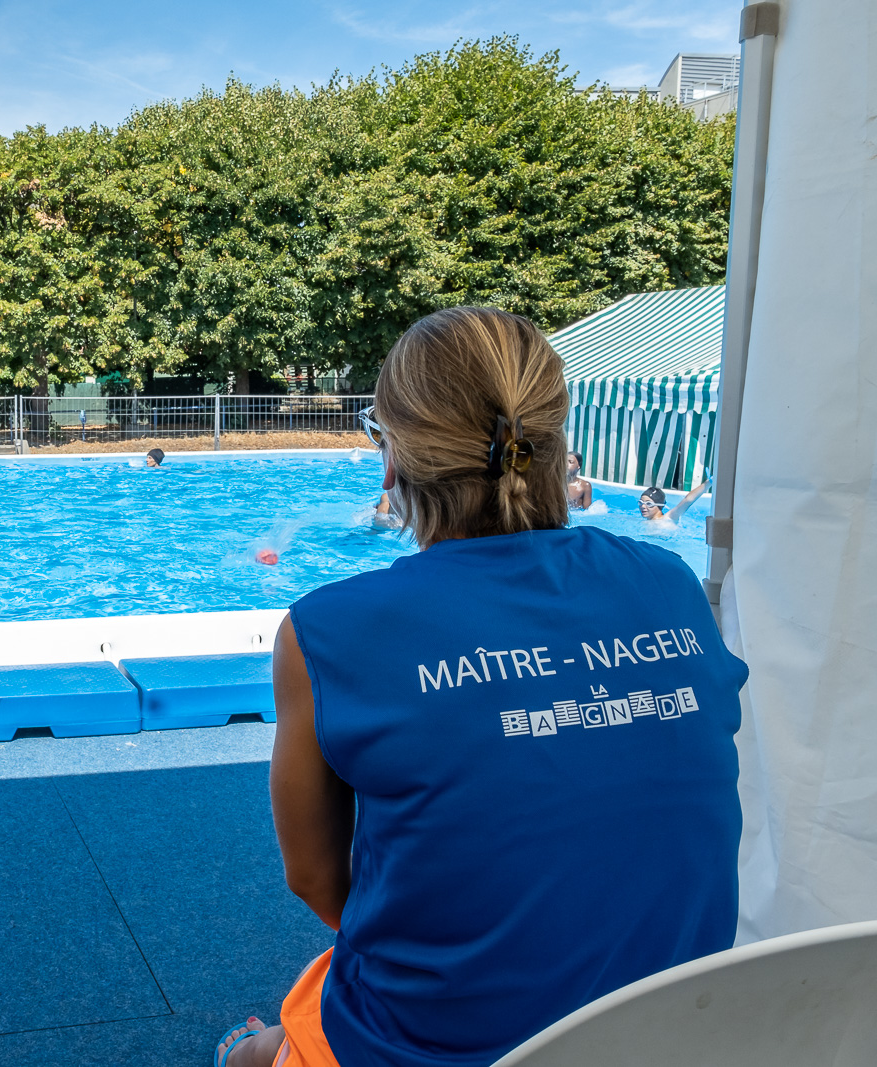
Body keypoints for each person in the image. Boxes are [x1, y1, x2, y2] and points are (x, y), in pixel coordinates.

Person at [215, 307, 747, 1067]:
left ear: (393, 461)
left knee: (266, 1041)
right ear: (558, 446)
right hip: (666, 1031)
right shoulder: (670, 585)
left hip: (436, 1049)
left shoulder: (330, 631)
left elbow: (318, 878)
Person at [641, 475, 710, 524]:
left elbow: (688, 500)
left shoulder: (668, 518)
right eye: (640, 502)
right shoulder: (645, 522)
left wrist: (709, 483)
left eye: (649, 504)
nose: (643, 506)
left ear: (659, 505)